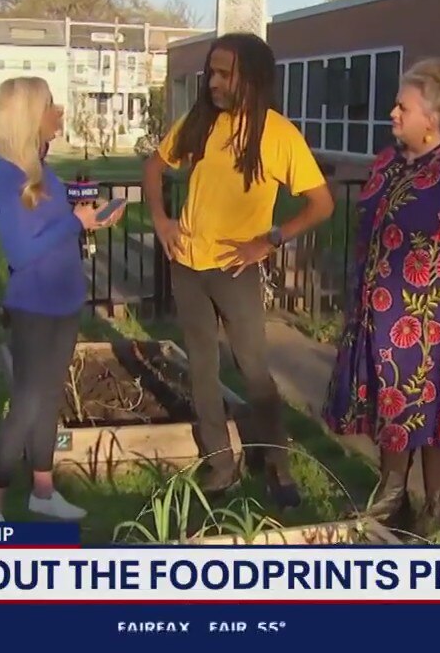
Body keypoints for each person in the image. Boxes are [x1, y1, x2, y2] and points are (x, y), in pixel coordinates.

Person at [321, 58, 440, 536]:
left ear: (431, 118)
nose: (392, 112)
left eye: (402, 106)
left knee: (439, 415)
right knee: (391, 402)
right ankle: (390, 496)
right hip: (384, 313)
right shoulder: (386, 164)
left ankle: (436, 508)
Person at [143, 33, 335, 507]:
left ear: (249, 76)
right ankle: (220, 466)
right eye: (212, 71)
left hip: (235, 272)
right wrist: (162, 221)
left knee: (253, 372)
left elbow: (321, 204)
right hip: (188, 266)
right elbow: (153, 168)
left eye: (224, 72)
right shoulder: (199, 124)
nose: (213, 81)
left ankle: (277, 467)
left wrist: (268, 240)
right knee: (202, 370)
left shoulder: (278, 135)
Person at [0, 76, 125, 523]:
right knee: (26, 404)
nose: (59, 112)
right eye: (50, 105)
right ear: (28, 115)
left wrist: (92, 220)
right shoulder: (4, 177)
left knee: (49, 399)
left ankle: (42, 491)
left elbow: (55, 229)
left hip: (65, 302)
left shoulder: (42, 171)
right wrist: (75, 225)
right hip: (34, 307)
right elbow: (23, 253)